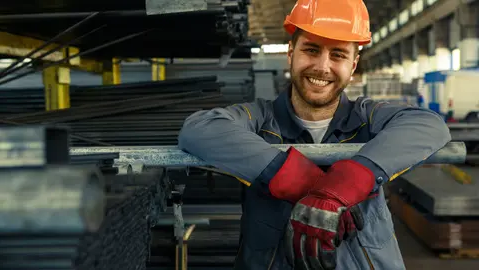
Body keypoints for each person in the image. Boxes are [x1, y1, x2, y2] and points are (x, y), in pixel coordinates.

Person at [178, 0, 451, 269]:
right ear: (291, 53)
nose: (322, 66)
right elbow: (199, 128)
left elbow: (428, 124)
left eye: (338, 55)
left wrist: (346, 184)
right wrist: (306, 184)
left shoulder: (367, 117)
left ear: (353, 66)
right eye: (311, 49)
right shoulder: (259, 119)